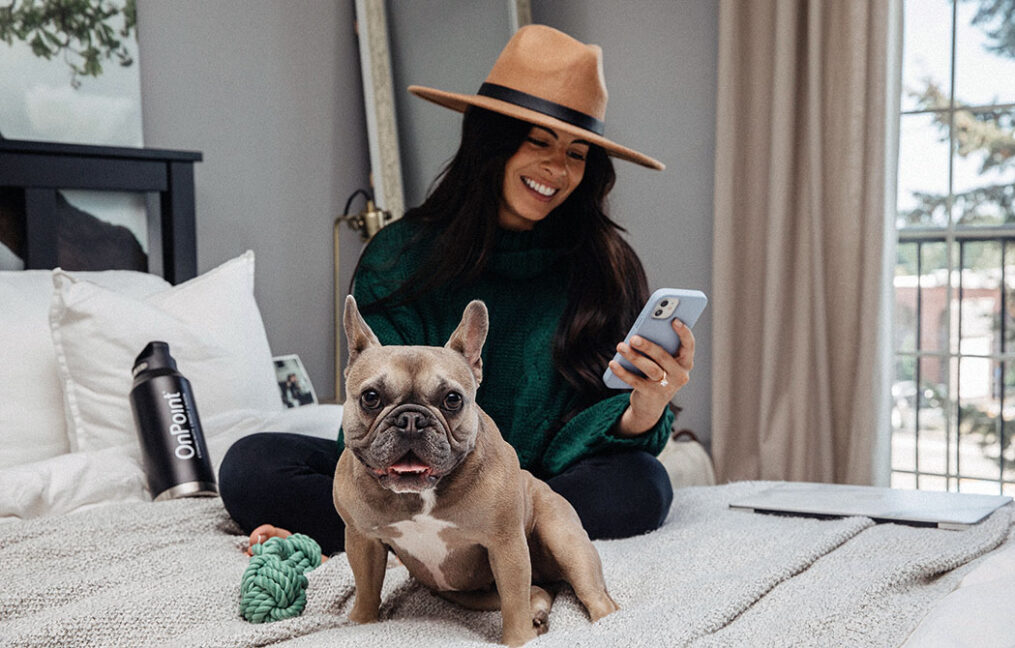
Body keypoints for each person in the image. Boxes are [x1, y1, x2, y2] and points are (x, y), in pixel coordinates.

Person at [220, 25, 695, 556]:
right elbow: (371, 416)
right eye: (538, 141)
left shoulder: (607, 266)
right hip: (409, 475)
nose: (557, 169)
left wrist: (648, 404)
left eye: (578, 153)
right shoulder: (401, 256)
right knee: (250, 465)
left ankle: (433, 545)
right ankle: (476, 547)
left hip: (540, 486)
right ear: (490, 142)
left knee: (646, 485)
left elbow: (597, 422)